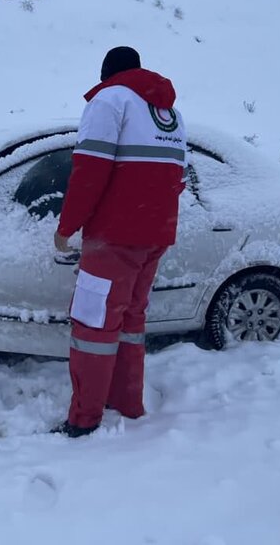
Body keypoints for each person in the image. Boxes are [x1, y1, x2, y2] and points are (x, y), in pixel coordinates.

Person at [52, 46, 186, 437]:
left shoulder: (110, 100)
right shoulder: (171, 115)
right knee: (129, 320)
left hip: (113, 237)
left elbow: (89, 171)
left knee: (93, 325)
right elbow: (175, 177)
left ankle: (84, 419)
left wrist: (67, 227)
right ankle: (128, 403)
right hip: (155, 234)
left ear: (106, 75)